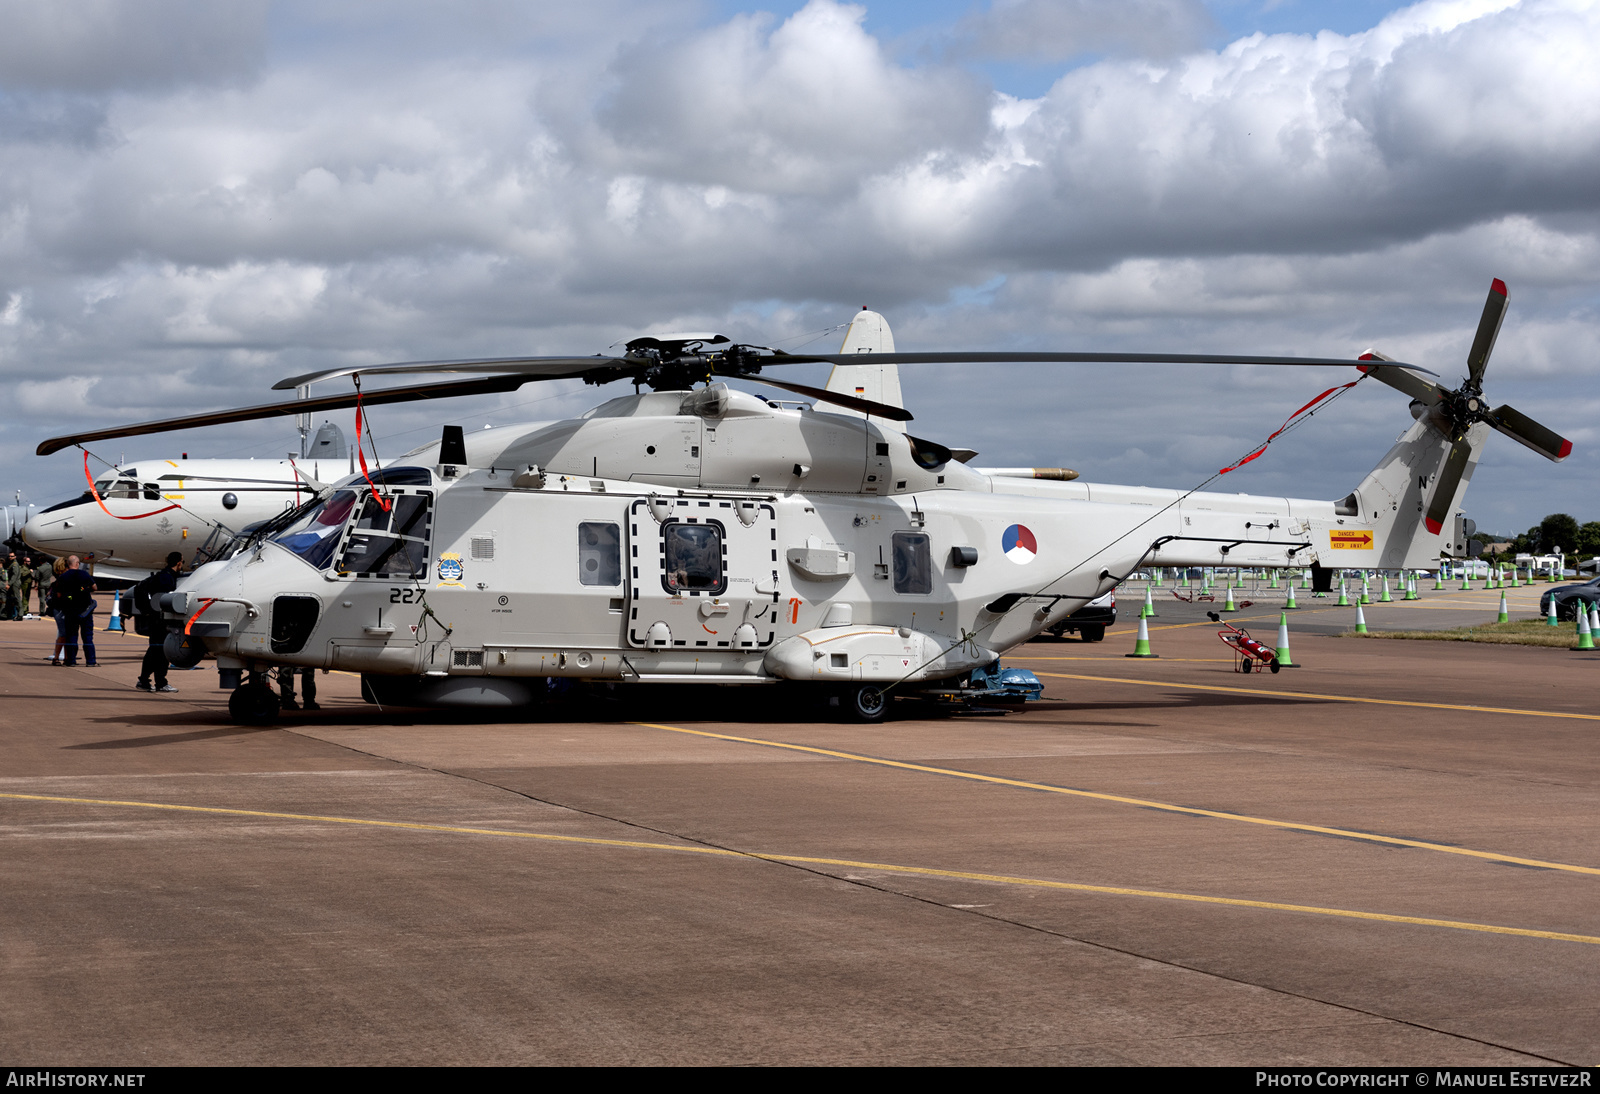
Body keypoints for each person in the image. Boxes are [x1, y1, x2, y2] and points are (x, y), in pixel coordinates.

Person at [134, 552, 183, 693]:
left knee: (154, 651)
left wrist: (147, 610)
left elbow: (141, 589)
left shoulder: (161, 575)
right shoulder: (167, 579)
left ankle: (144, 680)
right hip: (162, 621)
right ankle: (160, 682)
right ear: (178, 562)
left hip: (155, 619)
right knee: (161, 652)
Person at [54, 555, 97, 667]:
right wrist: (83, 590)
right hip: (85, 611)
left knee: (72, 636)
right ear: (77, 563)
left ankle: (71, 661)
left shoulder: (63, 577)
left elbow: (59, 594)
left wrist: (69, 596)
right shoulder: (84, 574)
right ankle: (90, 661)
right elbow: (94, 588)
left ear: (68, 564)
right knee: (87, 637)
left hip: (70, 610)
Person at [46, 557, 67, 664]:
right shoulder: (63, 580)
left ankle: (61, 656)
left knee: (63, 633)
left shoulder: (58, 580)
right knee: (64, 633)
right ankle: (58, 657)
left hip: (57, 609)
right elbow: (61, 595)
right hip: (61, 609)